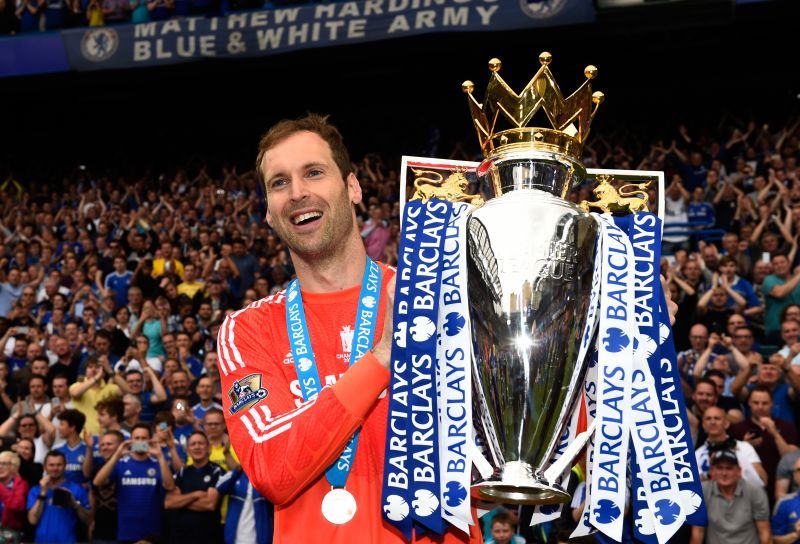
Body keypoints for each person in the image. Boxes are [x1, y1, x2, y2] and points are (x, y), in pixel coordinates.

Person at [217, 114, 479, 543]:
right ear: (267, 212)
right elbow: (272, 467)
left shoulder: (440, 302)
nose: (298, 192)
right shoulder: (247, 329)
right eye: (279, 183)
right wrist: (381, 359)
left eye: (314, 173)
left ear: (353, 187)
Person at [92, 423, 175, 542]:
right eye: (136, 438)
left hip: (152, 533)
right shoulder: (121, 464)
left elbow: (170, 486)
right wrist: (116, 455)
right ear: (130, 440)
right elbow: (97, 482)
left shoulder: (158, 464)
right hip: (126, 532)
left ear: (150, 440)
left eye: (144, 438)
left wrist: (160, 456)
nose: (140, 441)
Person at [692, 449, 770, 544]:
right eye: (719, 468)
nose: (724, 473)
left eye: (729, 468)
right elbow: (697, 533)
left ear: (739, 471)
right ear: (712, 471)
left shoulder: (755, 491)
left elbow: (765, 534)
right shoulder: (703, 491)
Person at [165, 431, 223, 544]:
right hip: (181, 536)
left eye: (201, 443)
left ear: (208, 448)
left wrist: (181, 500)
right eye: (193, 444)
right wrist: (196, 495)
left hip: (208, 536)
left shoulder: (217, 471)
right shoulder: (182, 472)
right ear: (187, 450)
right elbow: (169, 502)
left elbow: (209, 504)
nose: (197, 447)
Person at [26, 451, 91, 544]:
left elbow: (89, 520)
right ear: (45, 467)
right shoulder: (36, 490)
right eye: (51, 465)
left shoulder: (76, 489)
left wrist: (74, 504)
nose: (55, 468)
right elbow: (32, 520)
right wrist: (43, 493)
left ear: (65, 465)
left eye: (59, 465)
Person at [216, 467, 274, 544]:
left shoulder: (265, 477)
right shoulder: (237, 475)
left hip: (261, 540)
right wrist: (236, 470)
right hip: (235, 540)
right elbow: (220, 486)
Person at [0, 451, 29, 541]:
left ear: (15, 467)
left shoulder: (21, 484)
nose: (0, 467)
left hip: (10, 533)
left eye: (4, 464)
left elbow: (16, 505)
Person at [773, 456, 800, 544]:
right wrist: (796, 534)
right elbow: (774, 540)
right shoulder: (784, 503)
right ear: (794, 476)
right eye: (799, 470)